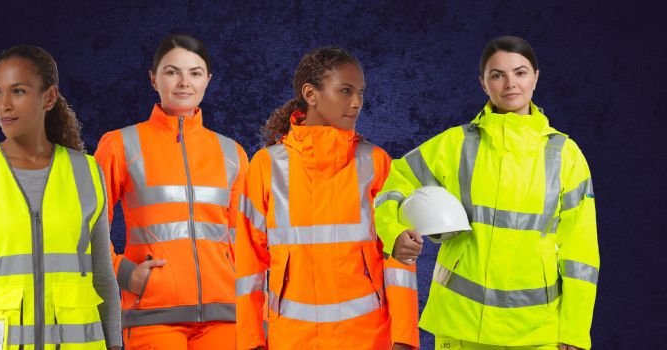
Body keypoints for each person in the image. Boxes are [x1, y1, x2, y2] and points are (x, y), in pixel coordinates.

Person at [375, 36, 598, 350]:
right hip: (460, 322)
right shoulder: (456, 144)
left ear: (536, 76)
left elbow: (581, 251)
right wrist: (393, 233)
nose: (510, 84)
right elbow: (394, 184)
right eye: (497, 75)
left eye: (520, 73)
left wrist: (574, 331)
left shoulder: (566, 155)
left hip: (537, 332)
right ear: (483, 83)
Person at [236, 47, 419, 350]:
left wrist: (404, 340)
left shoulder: (376, 163)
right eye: (345, 91)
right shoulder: (266, 166)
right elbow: (248, 262)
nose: (357, 102)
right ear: (311, 94)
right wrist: (250, 340)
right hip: (292, 340)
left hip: (367, 338)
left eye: (361, 92)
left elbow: (397, 258)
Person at [0, 45, 122, 349]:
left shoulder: (87, 172)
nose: (4, 105)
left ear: (49, 97)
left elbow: (102, 274)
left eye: (19, 91)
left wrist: (115, 343)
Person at [93, 34, 248, 350]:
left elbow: (244, 237)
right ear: (153, 79)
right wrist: (126, 275)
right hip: (153, 314)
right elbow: (85, 226)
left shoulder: (231, 153)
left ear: (208, 80)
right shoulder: (120, 145)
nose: (183, 82)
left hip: (224, 316)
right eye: (171, 71)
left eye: (195, 73)